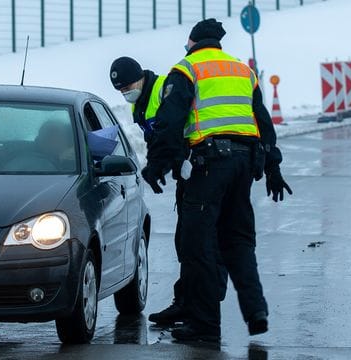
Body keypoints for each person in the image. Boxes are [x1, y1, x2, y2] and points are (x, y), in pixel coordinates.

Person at [143, 18, 292, 342]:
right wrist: (272, 167)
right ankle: (256, 312)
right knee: (238, 241)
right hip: (243, 165)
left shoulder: (188, 68)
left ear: (193, 42)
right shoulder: (242, 70)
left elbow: (170, 122)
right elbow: (262, 122)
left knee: (198, 246)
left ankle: (205, 325)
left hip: (209, 165)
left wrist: (156, 165)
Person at [109, 57, 191, 326]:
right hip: (187, 174)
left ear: (140, 77)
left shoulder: (163, 90)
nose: (126, 92)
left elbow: (172, 133)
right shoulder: (141, 102)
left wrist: (162, 165)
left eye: (128, 86)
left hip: (198, 170)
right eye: (121, 90)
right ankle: (190, 304)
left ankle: (193, 307)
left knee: (195, 243)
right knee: (188, 242)